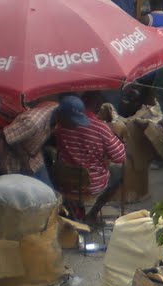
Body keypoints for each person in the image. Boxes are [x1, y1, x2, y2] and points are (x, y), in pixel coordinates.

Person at [52, 94, 126, 226]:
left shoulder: (59, 127)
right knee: (120, 172)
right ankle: (92, 214)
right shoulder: (101, 128)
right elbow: (120, 157)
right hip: (92, 186)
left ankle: (75, 211)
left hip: (64, 182)